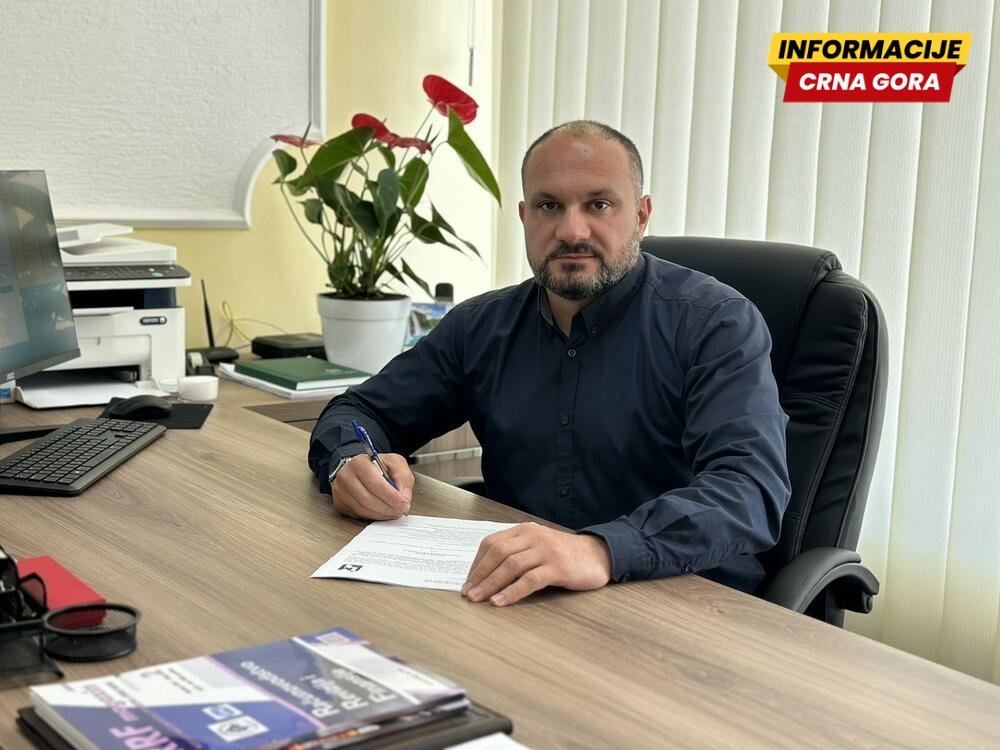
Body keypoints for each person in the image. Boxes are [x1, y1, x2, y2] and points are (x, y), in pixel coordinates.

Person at [308, 120, 791, 606]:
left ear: (641, 216)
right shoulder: (481, 327)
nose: (571, 231)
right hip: (524, 597)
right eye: (549, 206)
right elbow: (360, 412)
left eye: (599, 205)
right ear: (524, 217)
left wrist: (601, 549)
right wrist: (348, 461)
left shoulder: (715, 323)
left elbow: (749, 491)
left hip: (685, 603)